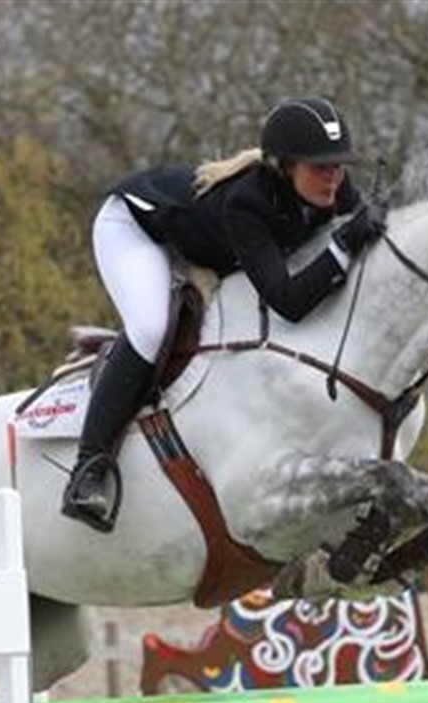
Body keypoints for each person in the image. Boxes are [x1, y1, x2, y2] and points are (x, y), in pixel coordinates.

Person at [62, 96, 388, 533]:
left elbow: (361, 228)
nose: (333, 177)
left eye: (338, 166)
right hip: (136, 228)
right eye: (319, 167)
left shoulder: (332, 189)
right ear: (285, 166)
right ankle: (89, 470)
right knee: (151, 328)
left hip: (203, 240)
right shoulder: (247, 202)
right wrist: (344, 244)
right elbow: (289, 301)